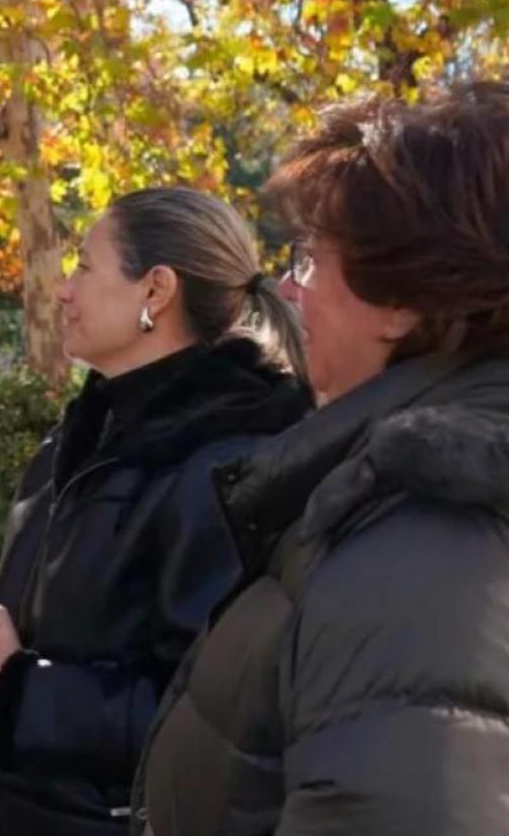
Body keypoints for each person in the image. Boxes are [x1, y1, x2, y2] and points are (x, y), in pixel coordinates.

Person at [134, 82, 509, 835]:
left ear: (403, 299)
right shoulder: (398, 494)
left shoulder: (423, 541)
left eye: (310, 258)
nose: (287, 287)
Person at [0, 188, 312, 836]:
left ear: (155, 290)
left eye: (83, 265)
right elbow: (45, 630)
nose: (64, 290)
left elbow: (214, 721)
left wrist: (15, 685)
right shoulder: (76, 440)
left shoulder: (227, 467)